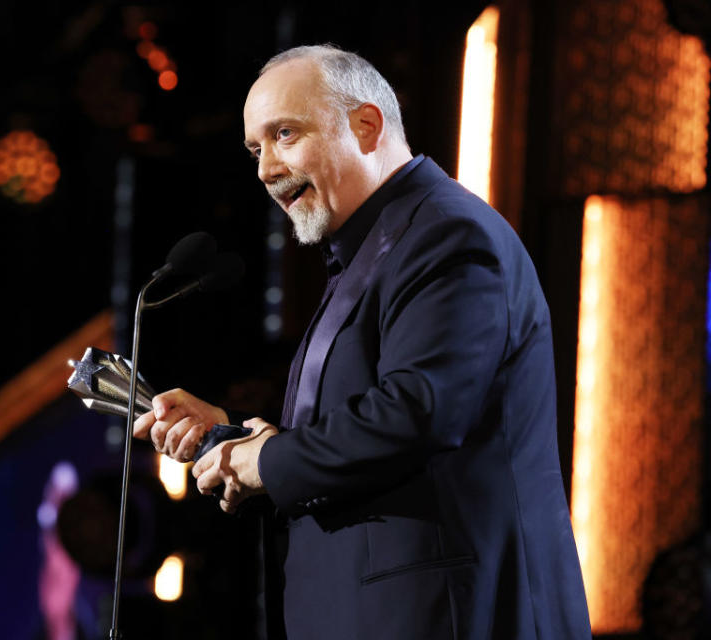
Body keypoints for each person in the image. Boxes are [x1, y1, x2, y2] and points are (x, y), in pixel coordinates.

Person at [133, 44, 592, 639]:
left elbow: (419, 412)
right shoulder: (374, 249)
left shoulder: (448, 235)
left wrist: (268, 461)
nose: (266, 169)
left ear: (366, 125)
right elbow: (363, 423)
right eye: (256, 149)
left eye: (285, 135)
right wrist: (235, 435)